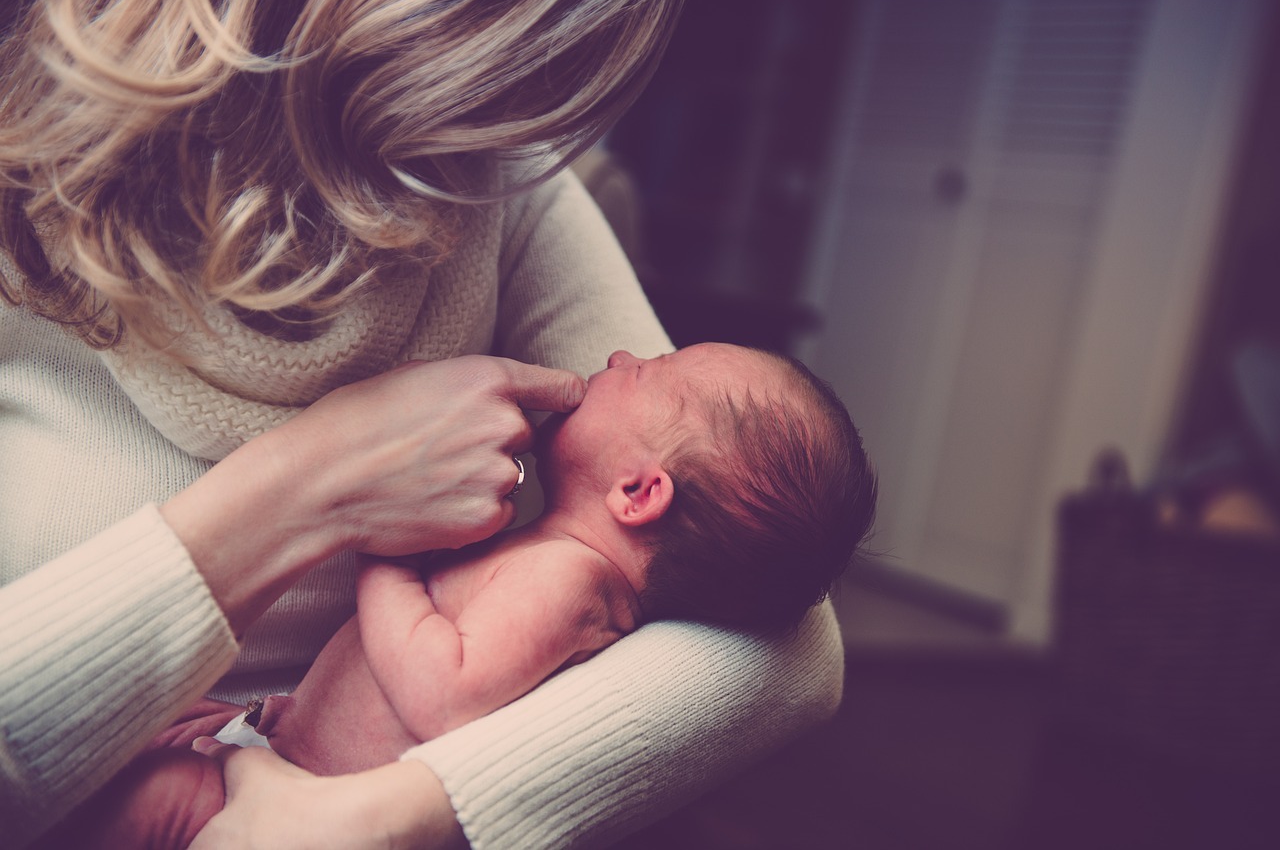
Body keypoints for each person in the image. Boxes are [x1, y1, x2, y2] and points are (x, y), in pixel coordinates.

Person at [0, 0, 847, 848]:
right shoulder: (26, 168)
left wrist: (383, 818)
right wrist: (326, 485)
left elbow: (793, 647)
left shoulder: (502, 180)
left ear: (640, 491)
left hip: (287, 780)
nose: (621, 361)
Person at [47, 343, 877, 847]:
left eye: (649, 372)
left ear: (638, 492)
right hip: (286, 747)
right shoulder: (557, 557)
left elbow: (445, 695)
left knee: (139, 801)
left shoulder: (567, 581)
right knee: (141, 748)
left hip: (307, 803)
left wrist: (385, 557)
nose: (620, 358)